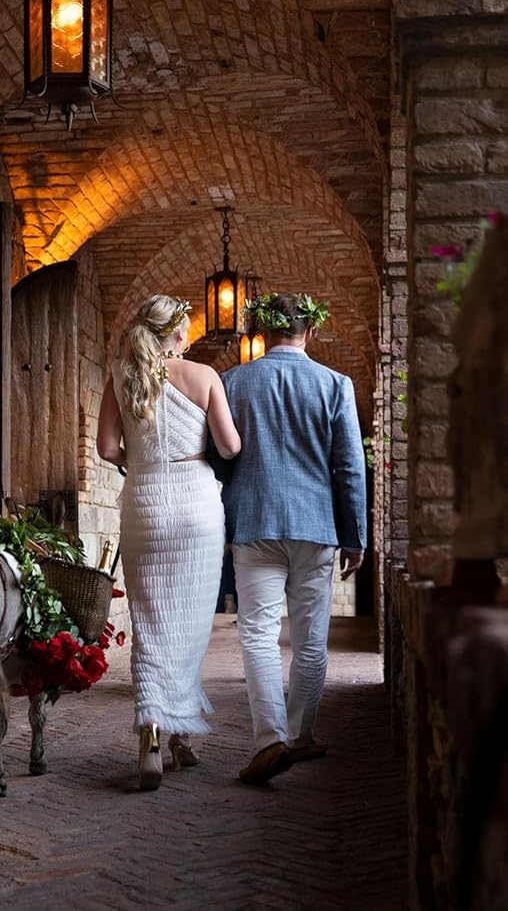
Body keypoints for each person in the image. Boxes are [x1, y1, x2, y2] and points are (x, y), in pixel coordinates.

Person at [216, 292, 366, 785]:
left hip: (254, 522)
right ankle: (301, 737)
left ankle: (269, 739)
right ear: (312, 331)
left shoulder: (233, 382)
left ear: (264, 332)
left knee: (257, 634)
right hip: (316, 526)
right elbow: (349, 467)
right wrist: (355, 535)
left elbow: (220, 457)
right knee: (310, 639)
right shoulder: (335, 385)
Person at [98, 294, 242, 791]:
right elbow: (230, 446)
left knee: (151, 621)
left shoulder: (121, 376)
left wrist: (139, 462)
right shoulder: (204, 377)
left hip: (144, 502)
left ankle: (160, 735)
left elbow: (106, 448)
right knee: (188, 625)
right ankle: (167, 727)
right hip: (196, 503)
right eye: (186, 328)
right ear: (178, 333)